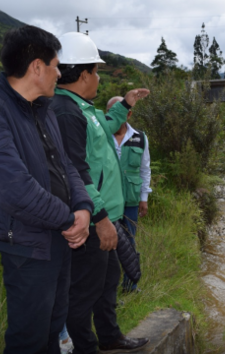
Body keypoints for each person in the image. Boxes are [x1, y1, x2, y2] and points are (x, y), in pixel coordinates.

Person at [0, 25, 93, 354]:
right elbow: (15, 191)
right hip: (27, 245)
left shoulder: (42, 109)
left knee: (52, 328)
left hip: (58, 237)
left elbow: (67, 166)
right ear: (37, 67)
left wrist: (84, 208)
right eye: (56, 65)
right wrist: (70, 220)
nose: (59, 73)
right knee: (28, 338)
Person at [49, 31, 150, 354]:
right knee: (85, 291)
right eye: (96, 71)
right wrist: (102, 218)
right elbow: (75, 170)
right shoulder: (66, 112)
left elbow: (105, 127)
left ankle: (109, 337)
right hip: (93, 219)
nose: (98, 77)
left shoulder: (83, 107)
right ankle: (86, 348)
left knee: (107, 284)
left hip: (107, 215)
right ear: (82, 75)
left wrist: (126, 104)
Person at [107, 96, 152, 293]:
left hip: (131, 202)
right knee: (107, 244)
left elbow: (145, 170)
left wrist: (144, 198)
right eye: (110, 112)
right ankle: (108, 288)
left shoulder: (140, 137)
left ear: (129, 114)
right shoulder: (101, 135)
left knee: (129, 243)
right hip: (107, 202)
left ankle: (130, 285)